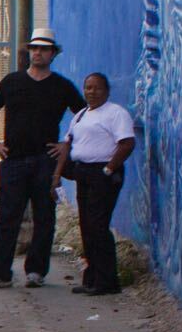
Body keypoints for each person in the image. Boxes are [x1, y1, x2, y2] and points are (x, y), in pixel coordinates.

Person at [0, 30, 85, 290]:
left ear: (53, 54)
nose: (38, 53)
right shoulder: (12, 81)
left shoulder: (62, 86)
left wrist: (67, 144)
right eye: (34, 48)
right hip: (13, 159)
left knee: (44, 217)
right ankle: (0, 273)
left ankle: (36, 271)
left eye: (44, 49)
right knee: (7, 217)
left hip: (45, 160)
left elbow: (83, 115)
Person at [59, 71, 139, 295]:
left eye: (97, 88)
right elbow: (68, 143)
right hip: (83, 173)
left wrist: (109, 168)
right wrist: (58, 173)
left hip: (103, 173)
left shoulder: (115, 113)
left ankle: (107, 281)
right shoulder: (81, 115)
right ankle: (91, 277)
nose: (91, 92)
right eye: (88, 87)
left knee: (98, 224)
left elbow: (127, 143)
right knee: (86, 225)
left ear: (106, 91)